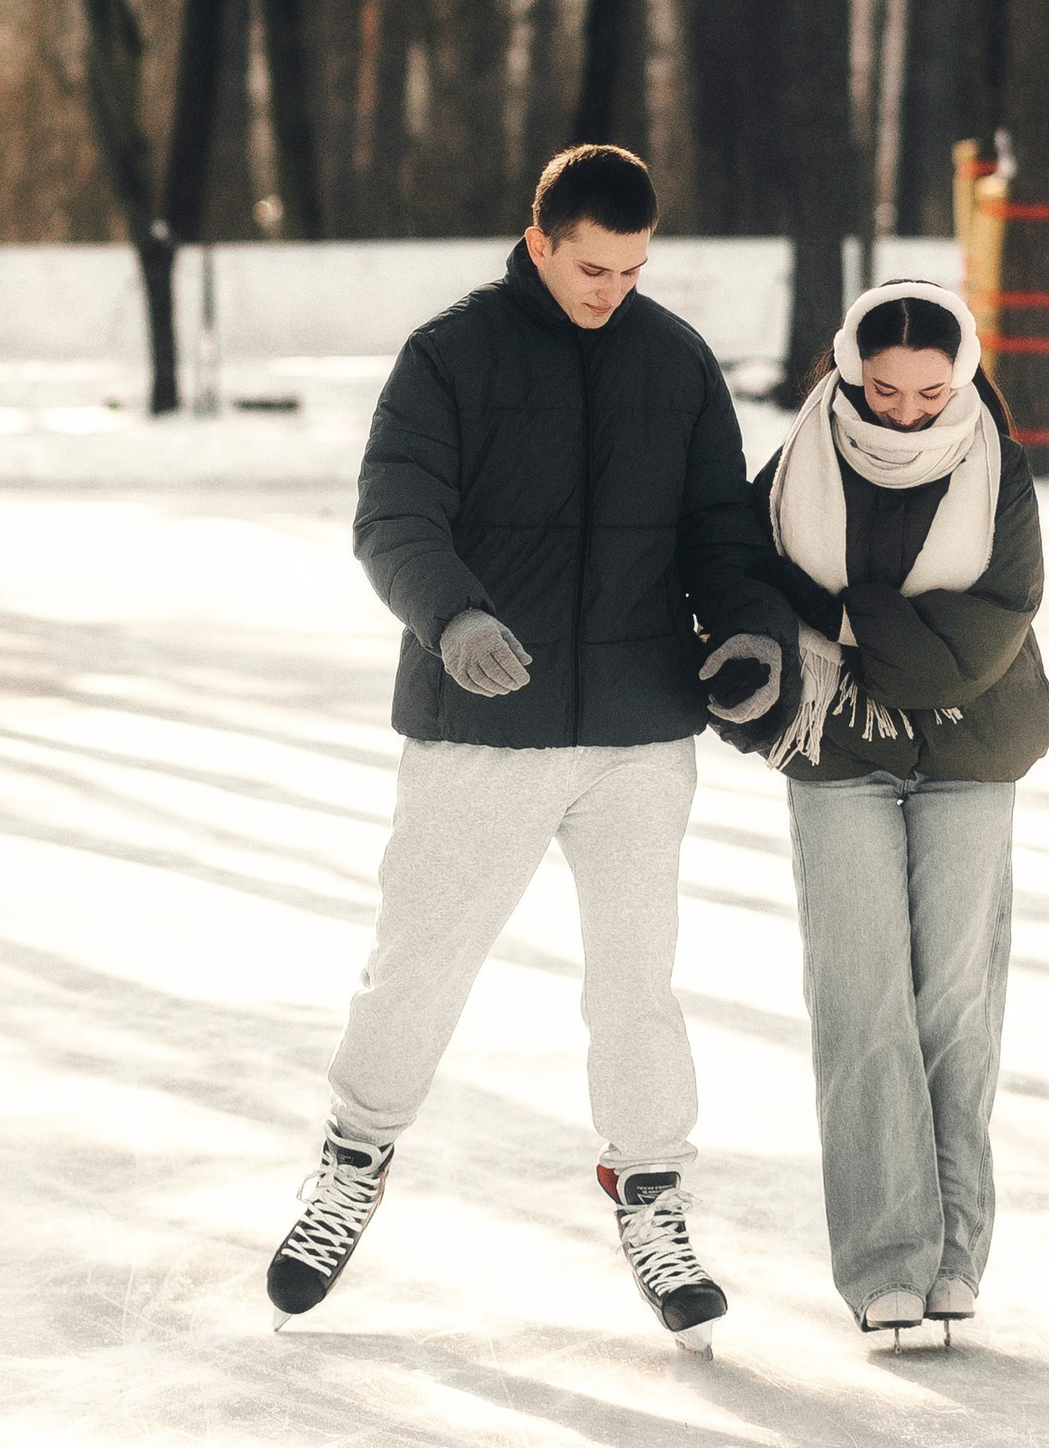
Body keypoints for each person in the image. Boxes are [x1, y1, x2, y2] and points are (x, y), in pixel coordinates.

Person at [265, 143, 796, 1351]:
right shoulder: (451, 355)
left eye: (634, 269)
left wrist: (750, 631)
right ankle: (352, 1162)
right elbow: (393, 512)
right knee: (419, 965)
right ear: (540, 241)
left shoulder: (674, 362)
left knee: (637, 982)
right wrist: (451, 616)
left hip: (638, 730)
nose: (614, 289)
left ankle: (652, 1194)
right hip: (481, 726)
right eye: (593, 267)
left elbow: (719, 532)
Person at [702, 283, 1049, 1345]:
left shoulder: (998, 470)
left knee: (952, 1002)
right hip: (837, 749)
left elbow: (982, 640)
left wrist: (840, 616)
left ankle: (953, 1258)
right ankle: (885, 1261)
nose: (905, 412)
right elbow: (741, 578)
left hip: (970, 750)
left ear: (964, 377)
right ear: (851, 371)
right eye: (885, 390)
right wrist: (803, 632)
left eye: (930, 393)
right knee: (861, 1001)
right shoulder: (800, 463)